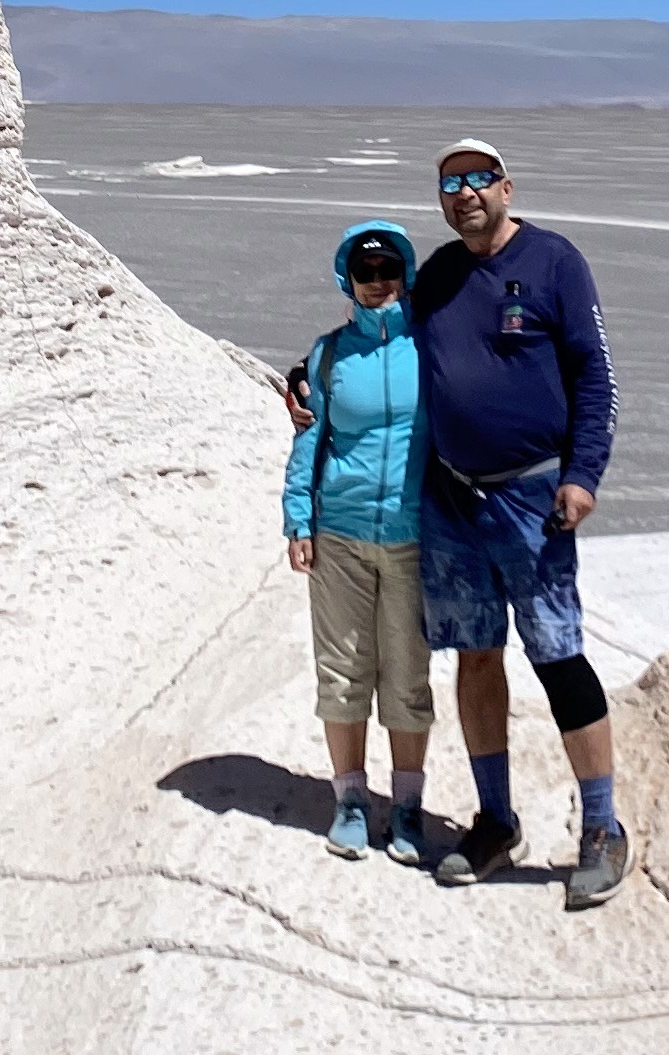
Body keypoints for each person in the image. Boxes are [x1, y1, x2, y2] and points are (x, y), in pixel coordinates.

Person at [408, 133, 628, 909]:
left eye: (478, 179)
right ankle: (496, 820)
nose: (464, 193)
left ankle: (602, 828)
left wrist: (583, 474)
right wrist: (310, 382)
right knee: (474, 656)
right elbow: (388, 349)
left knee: (558, 656)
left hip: (533, 499)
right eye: (449, 184)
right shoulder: (433, 276)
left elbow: (593, 372)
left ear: (506, 186)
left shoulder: (553, 262)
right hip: (451, 499)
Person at [282, 221, 437, 864]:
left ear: (405, 272)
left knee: (406, 676)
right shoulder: (327, 355)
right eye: (366, 272)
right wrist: (299, 518)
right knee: (342, 671)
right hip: (340, 534)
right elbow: (309, 438)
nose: (379, 283)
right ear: (350, 278)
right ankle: (349, 800)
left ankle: (406, 806)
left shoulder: (431, 347)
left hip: (412, 536)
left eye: (389, 270)